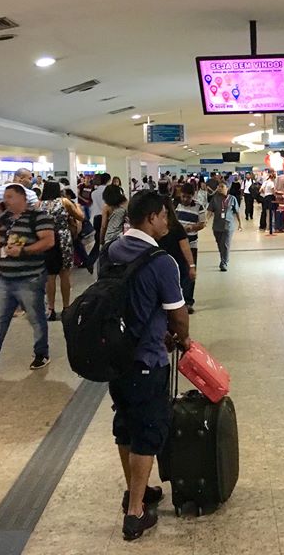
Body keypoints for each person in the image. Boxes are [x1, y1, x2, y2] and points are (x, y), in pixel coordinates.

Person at [100, 190, 190, 540]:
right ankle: (136, 512)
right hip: (147, 359)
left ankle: (135, 489)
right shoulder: (161, 261)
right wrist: (182, 339)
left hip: (115, 358)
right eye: (165, 215)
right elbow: (178, 315)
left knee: (125, 424)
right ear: (151, 217)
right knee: (149, 430)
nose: (168, 221)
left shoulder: (110, 253)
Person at [0, 185, 55, 374]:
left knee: (36, 318)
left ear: (22, 197)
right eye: (5, 197)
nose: (6, 200)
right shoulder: (5, 218)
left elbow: (48, 241)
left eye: (10, 196)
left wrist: (23, 250)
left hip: (30, 277)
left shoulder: (38, 217)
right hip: (6, 278)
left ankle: (42, 353)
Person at [39, 181, 84, 320]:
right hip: (63, 238)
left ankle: (51, 309)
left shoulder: (39, 204)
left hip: (47, 239)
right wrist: (77, 206)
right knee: (64, 274)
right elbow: (80, 217)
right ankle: (66, 308)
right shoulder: (64, 202)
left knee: (50, 276)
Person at [158, 197, 197, 315]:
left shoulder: (176, 227)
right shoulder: (153, 229)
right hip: (160, 267)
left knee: (178, 290)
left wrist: (191, 266)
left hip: (178, 266)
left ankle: (183, 306)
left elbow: (185, 247)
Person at [176, 183, 205, 312]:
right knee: (176, 272)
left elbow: (202, 223)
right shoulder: (175, 204)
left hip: (191, 244)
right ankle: (177, 300)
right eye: (183, 196)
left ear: (192, 196)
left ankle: (188, 302)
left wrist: (192, 228)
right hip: (176, 244)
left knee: (190, 273)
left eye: (188, 197)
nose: (185, 199)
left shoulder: (199, 207)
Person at [207, 183, 241, 271]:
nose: (220, 188)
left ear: (227, 188)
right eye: (218, 187)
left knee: (225, 244)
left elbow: (237, 212)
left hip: (228, 225)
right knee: (220, 244)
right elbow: (210, 211)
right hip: (217, 225)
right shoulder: (214, 199)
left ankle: (224, 263)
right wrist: (206, 220)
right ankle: (224, 258)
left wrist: (240, 223)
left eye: (222, 187)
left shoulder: (232, 199)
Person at [101, 185, 129, 250]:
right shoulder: (126, 204)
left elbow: (103, 226)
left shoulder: (106, 207)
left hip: (109, 237)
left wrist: (101, 241)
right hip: (123, 236)